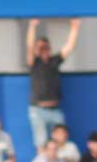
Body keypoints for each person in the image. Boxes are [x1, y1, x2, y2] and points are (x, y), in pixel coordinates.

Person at [25, 18, 81, 154]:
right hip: (38, 110)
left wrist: (75, 28)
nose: (44, 50)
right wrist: (32, 26)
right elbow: (29, 46)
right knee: (41, 142)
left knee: (61, 142)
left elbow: (69, 46)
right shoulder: (35, 63)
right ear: (37, 50)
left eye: (46, 47)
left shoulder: (55, 61)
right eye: (40, 47)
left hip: (55, 109)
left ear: (49, 48)